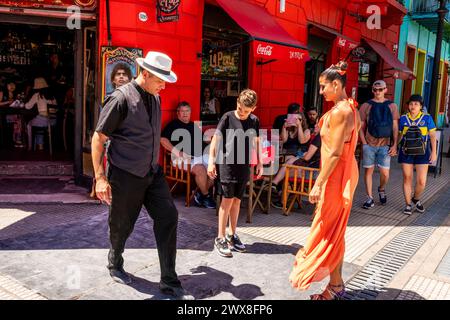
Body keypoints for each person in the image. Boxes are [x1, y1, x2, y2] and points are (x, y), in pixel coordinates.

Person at [91, 51, 192, 300]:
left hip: (152, 173)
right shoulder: (120, 99)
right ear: (145, 73)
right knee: (123, 224)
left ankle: (169, 279)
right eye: (160, 79)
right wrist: (100, 177)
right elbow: (98, 137)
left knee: (169, 216)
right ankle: (115, 261)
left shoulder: (155, 97)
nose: (164, 85)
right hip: (125, 174)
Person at [289, 61, 361, 300]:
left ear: (336, 84)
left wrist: (319, 183)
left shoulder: (342, 111)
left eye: (323, 87)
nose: (320, 92)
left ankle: (335, 287)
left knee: (325, 230)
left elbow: (334, 153)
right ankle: (336, 287)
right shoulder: (349, 107)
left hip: (336, 176)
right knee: (334, 231)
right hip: (342, 173)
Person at [208, 89, 262, 258]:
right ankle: (220, 237)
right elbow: (215, 140)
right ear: (237, 102)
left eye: (246, 110)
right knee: (227, 200)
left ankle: (232, 234)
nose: (242, 112)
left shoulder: (254, 121)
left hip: (243, 164)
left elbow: (256, 142)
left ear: (253, 108)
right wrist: (211, 161)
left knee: (238, 201)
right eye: (240, 108)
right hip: (227, 163)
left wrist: (259, 161)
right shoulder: (227, 117)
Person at [161, 101, 216, 209]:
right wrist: (177, 152)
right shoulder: (173, 125)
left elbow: (202, 142)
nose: (185, 113)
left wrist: (212, 143)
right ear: (178, 113)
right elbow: (162, 140)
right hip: (181, 158)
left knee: (216, 167)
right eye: (182, 111)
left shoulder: (193, 126)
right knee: (200, 169)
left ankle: (200, 193)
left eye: (187, 111)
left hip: (198, 156)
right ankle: (205, 196)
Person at [358, 80, 399, 209]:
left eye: (380, 89)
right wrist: (364, 143)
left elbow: (395, 126)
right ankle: (369, 198)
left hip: (385, 144)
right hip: (369, 143)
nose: (377, 92)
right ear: (372, 90)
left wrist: (394, 145)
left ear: (385, 90)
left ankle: (381, 188)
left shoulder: (392, 106)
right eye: (375, 90)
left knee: (385, 173)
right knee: (368, 171)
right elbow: (360, 126)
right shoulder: (366, 105)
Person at [398, 94, 437, 215]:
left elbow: (432, 136)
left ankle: (415, 198)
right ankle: (408, 204)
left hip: (423, 152)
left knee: (421, 182)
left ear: (421, 106)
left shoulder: (427, 118)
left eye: (416, 104)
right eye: (411, 104)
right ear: (408, 106)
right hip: (406, 152)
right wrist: (394, 145)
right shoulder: (403, 118)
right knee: (407, 178)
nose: (413, 106)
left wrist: (434, 152)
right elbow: (400, 135)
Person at [270, 124, 321, 209]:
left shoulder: (318, 138)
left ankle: (282, 201)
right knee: (291, 162)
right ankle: (277, 186)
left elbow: (307, 157)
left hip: (311, 173)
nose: (315, 125)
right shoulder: (329, 138)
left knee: (286, 172)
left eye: (318, 124)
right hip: (318, 172)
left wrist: (304, 155)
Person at [24, 78, 57, 151]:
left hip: (44, 120)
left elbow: (27, 106)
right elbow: (56, 109)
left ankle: (33, 146)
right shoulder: (52, 96)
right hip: (53, 121)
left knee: (29, 124)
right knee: (39, 123)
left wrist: (26, 97)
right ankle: (41, 145)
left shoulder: (37, 95)